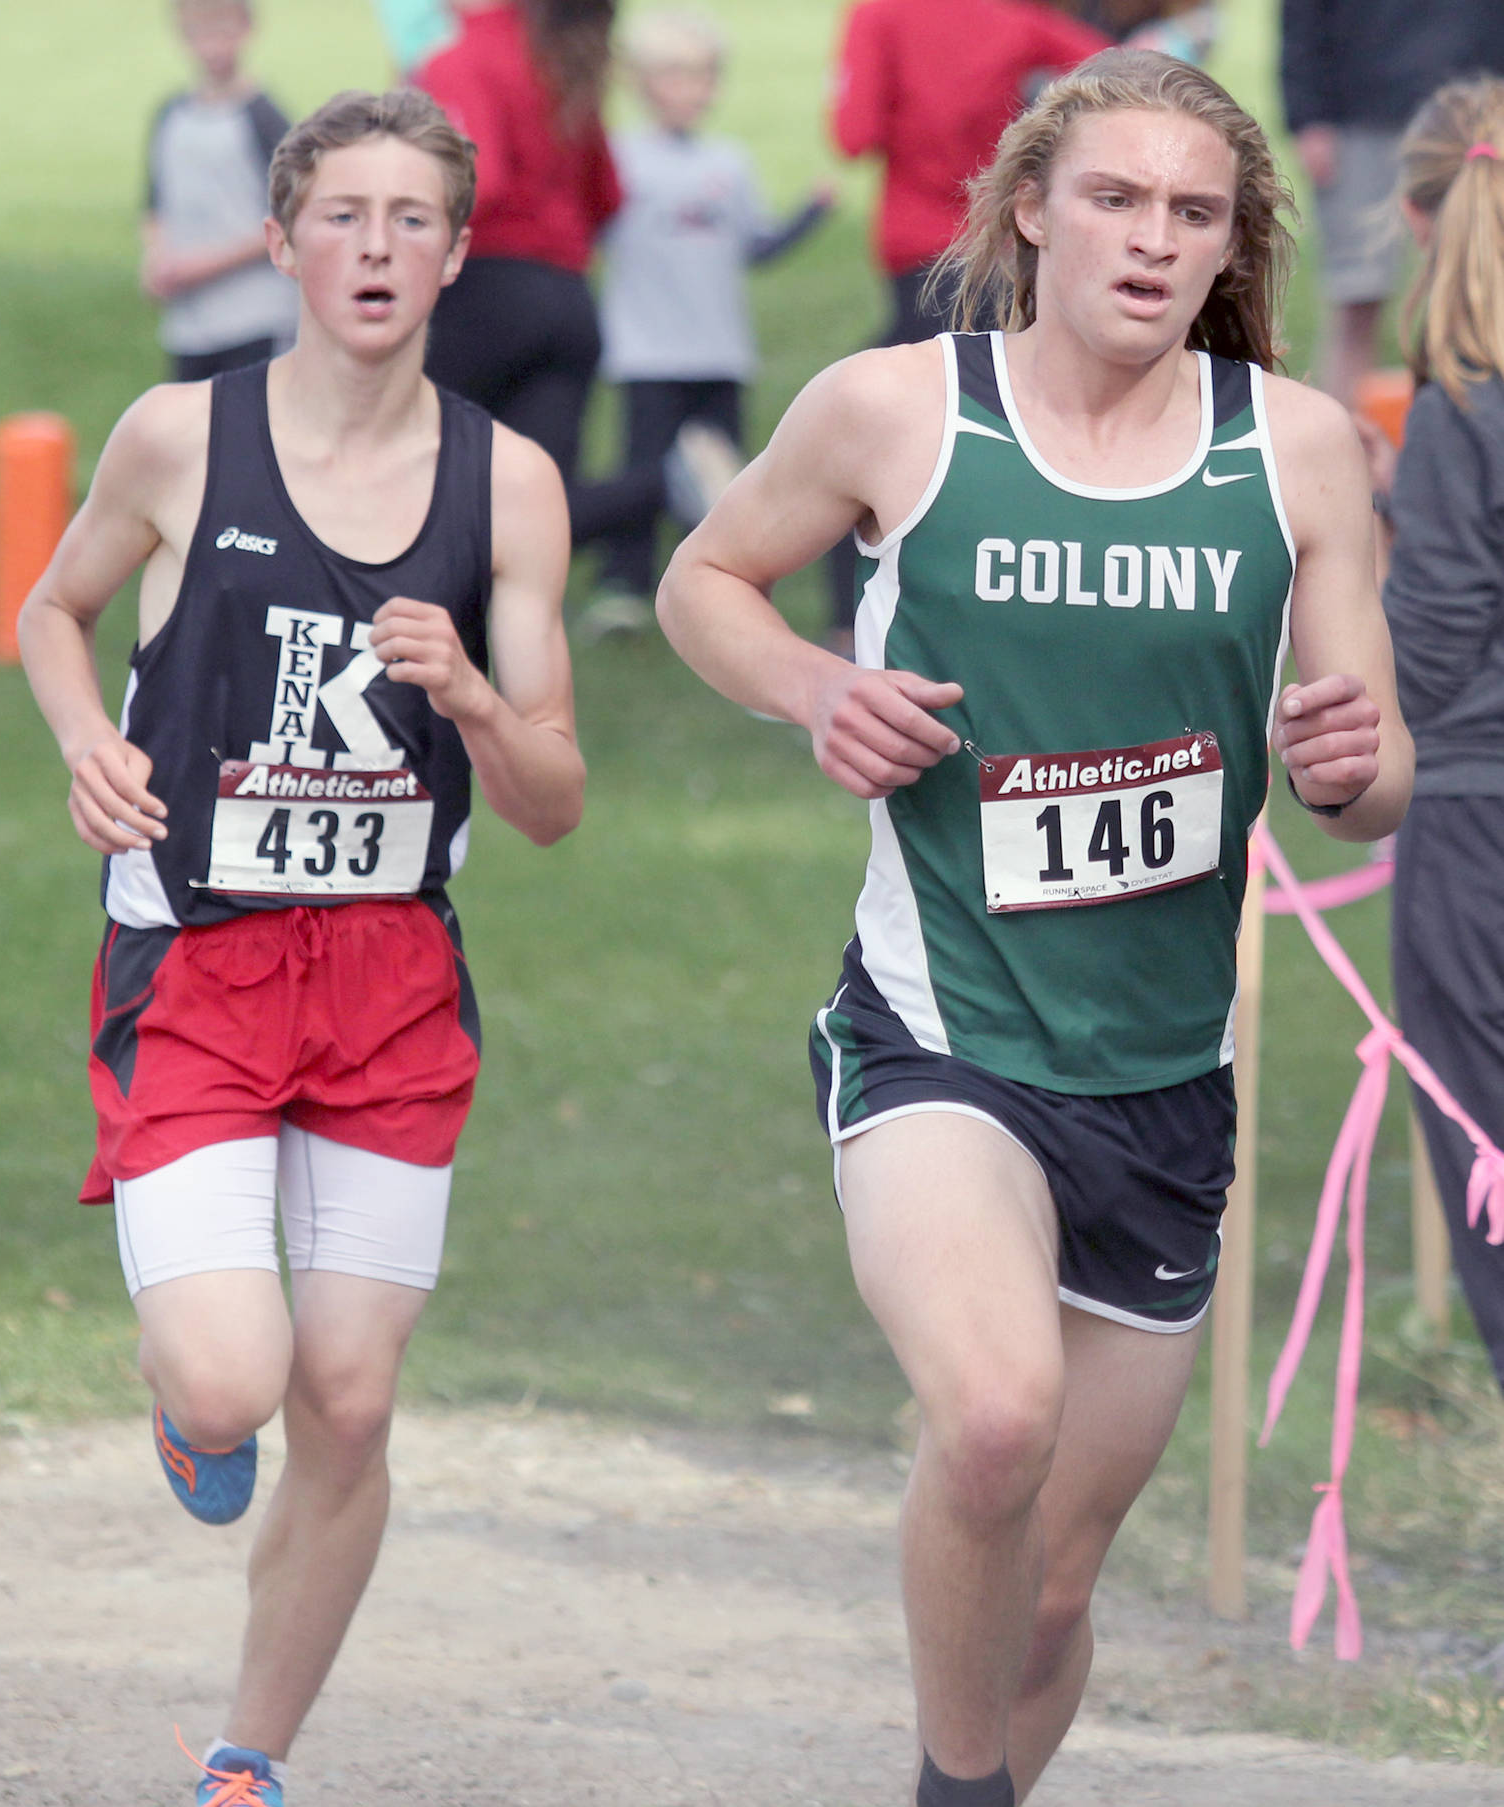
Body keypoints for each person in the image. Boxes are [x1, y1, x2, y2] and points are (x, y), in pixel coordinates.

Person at [658, 48, 1411, 1805]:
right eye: (1115, 200)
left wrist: (1353, 755)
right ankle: (953, 1784)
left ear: (1231, 251)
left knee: (1058, 1586)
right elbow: (704, 580)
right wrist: (814, 686)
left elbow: (1366, 785)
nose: (1151, 243)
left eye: (1192, 216)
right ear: (1030, 210)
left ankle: (986, 1765)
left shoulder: (1294, 451)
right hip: (940, 1034)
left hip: (1162, 1080)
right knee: (993, 1418)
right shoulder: (897, 411)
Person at [17, 87, 583, 1806]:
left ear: (456, 255)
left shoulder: (511, 485)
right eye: (343, 214)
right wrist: (85, 747)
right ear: (279, 239)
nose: (376, 249)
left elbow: (552, 798)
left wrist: (474, 689)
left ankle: (247, 1751)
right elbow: (56, 608)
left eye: (414, 220)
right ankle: (188, 1403)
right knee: (238, 1375)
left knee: (347, 1399)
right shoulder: (181, 440)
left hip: (390, 979)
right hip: (197, 963)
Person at [822, 0, 1110, 651]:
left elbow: (850, 132)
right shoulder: (1012, 18)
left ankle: (853, 622)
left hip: (918, 251)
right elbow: (1113, 66)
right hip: (996, 252)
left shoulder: (880, 16)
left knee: (868, 429)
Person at [414, 0, 729, 564]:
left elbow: (478, 184)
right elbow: (607, 193)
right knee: (534, 515)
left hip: (484, 291)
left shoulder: (458, 61)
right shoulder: (556, 57)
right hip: (568, 301)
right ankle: (668, 480)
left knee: (418, 482)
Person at [1370, 76, 1504, 1396]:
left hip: (1476, 825)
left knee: (1491, 1176)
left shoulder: (1463, 398)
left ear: (1423, 224)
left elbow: (1432, 628)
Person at [588, 6, 834, 633]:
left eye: (703, 77)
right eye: (677, 77)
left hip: (720, 352)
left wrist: (810, 215)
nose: (692, 91)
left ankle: (714, 590)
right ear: (643, 83)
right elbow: (585, 225)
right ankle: (623, 585)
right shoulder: (618, 159)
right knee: (643, 477)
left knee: (723, 483)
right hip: (646, 353)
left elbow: (756, 245)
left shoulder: (728, 163)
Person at [1279, 0, 1504, 409]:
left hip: (1478, 110)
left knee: (1488, 289)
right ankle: (1342, 455)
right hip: (1361, 109)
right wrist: (1307, 112)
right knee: (1356, 296)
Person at [142, 0, 299, 381]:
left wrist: (205, 266)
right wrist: (156, 260)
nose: (213, 47)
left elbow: (291, 217)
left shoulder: (264, 119)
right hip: (189, 326)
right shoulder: (170, 115)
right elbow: (155, 202)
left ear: (246, 30)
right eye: (200, 32)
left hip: (254, 318)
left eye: (222, 31)